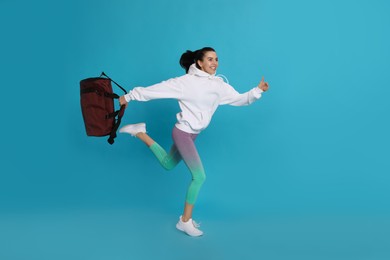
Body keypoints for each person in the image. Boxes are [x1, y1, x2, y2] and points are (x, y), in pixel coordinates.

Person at [118, 47, 269, 237]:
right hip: (182, 132)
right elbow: (156, 90)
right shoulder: (185, 83)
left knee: (168, 164)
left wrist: (257, 90)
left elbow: (239, 99)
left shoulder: (218, 84)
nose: (215, 63)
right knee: (199, 177)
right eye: (210, 59)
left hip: (193, 134)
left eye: (216, 59)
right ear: (199, 62)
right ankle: (185, 221)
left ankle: (139, 132)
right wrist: (129, 96)